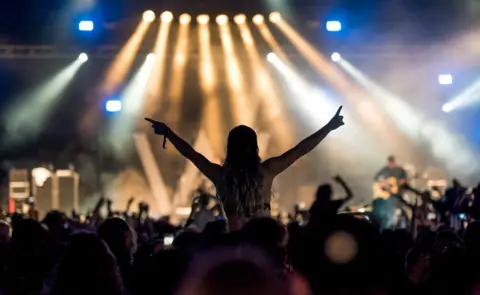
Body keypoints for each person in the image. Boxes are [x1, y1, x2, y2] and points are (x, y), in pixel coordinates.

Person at [146, 106, 345, 230]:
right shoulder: (267, 171)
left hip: (234, 244)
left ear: (229, 148)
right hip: (266, 244)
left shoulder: (220, 175)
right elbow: (301, 149)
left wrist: (169, 133)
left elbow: (191, 154)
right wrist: (329, 127)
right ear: (255, 147)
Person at [373, 155, 408, 230]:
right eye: (389, 162)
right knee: (389, 212)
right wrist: (384, 183)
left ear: (394, 162)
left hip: (399, 194)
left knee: (401, 210)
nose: (390, 163)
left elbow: (404, 180)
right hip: (388, 196)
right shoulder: (385, 169)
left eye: (391, 162)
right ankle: (388, 227)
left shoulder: (399, 170)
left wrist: (398, 183)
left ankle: (401, 226)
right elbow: (376, 177)